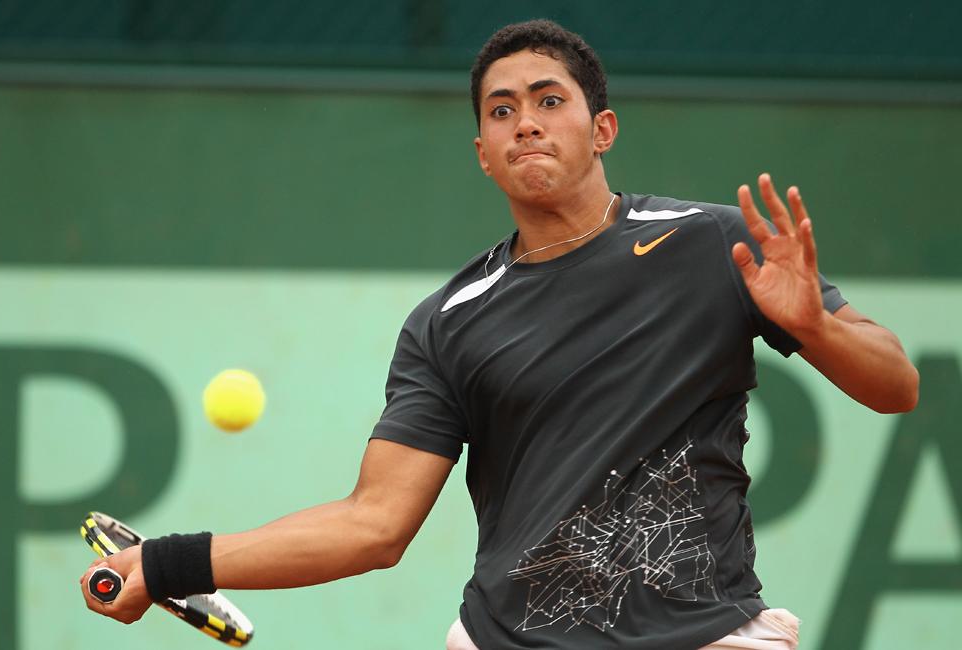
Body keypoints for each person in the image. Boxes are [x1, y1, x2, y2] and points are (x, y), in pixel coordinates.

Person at [81, 19, 919, 650]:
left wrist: (814, 325)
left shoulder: (714, 245)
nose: (525, 122)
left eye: (550, 101)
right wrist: (168, 562)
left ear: (602, 130)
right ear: (482, 150)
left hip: (707, 635)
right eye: (502, 110)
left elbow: (896, 387)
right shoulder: (448, 324)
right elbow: (375, 525)